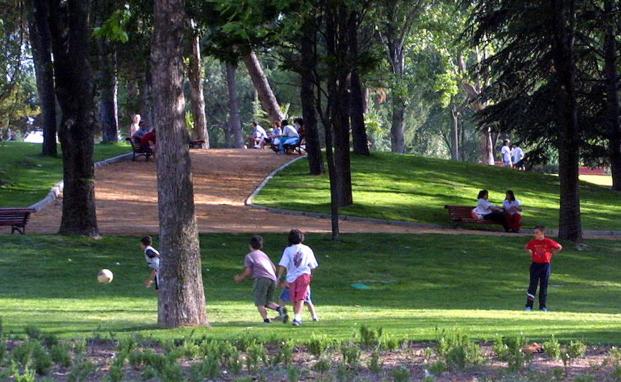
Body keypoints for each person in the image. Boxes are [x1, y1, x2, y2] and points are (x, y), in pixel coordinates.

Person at [234, 235, 288, 323]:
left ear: (250, 245)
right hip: (272, 279)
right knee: (268, 302)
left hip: (261, 279)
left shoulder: (249, 256)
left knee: (260, 302)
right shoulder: (264, 255)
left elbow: (248, 271)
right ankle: (280, 309)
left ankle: (266, 320)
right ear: (261, 246)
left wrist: (240, 278)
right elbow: (273, 268)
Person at [277, 229, 318, 327]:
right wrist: (311, 276)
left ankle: (297, 318)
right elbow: (313, 265)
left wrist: (278, 276)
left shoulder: (288, 250)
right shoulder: (307, 249)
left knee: (296, 298)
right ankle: (297, 317)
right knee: (300, 298)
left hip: (292, 277)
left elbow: (283, 264)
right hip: (304, 275)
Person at [524, 225, 562, 312]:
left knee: (543, 286)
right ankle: (529, 306)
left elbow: (559, 247)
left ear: (542, 233)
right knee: (532, 285)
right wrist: (531, 253)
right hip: (535, 265)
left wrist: (552, 253)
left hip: (545, 265)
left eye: (537, 232)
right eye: (534, 233)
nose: (535, 234)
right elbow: (527, 247)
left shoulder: (548, 241)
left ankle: (543, 307)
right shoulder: (533, 242)